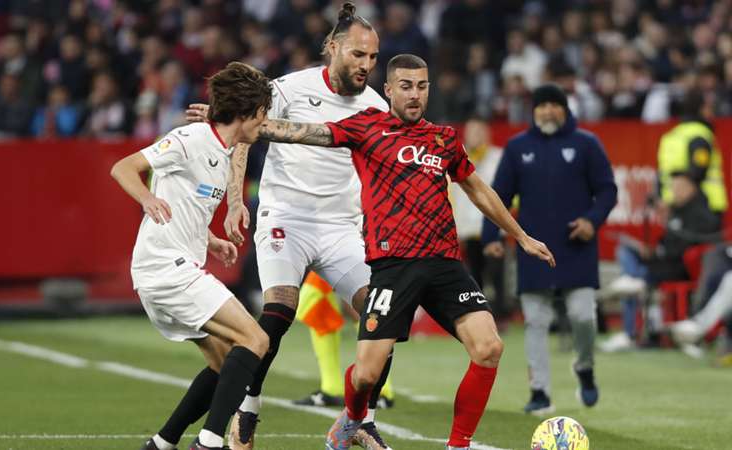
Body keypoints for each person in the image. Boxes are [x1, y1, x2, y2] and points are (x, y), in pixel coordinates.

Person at [250, 53, 556, 450]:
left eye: (422, 86)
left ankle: (458, 445)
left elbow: (478, 189)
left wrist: (522, 236)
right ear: (389, 90)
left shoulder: (444, 138)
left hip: (445, 264)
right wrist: (247, 125)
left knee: (489, 347)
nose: (415, 95)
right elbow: (309, 132)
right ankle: (353, 419)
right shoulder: (366, 127)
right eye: (407, 87)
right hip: (393, 267)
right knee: (366, 375)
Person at [188, 4, 395, 449]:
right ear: (334, 48)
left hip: (342, 226)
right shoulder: (288, 88)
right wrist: (235, 200)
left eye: (373, 58)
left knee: (382, 314)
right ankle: (249, 406)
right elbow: (246, 133)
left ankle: (361, 420)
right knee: (279, 313)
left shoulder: (377, 106)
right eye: (358, 55)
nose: (366, 65)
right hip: (287, 216)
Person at [110, 62, 272, 450]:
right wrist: (147, 198)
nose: (264, 124)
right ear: (247, 112)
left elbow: (189, 205)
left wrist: (212, 240)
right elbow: (123, 168)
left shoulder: (220, 152)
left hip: (170, 269)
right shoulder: (193, 138)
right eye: (263, 115)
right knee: (255, 338)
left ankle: (162, 443)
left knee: (222, 363)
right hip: (165, 268)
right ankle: (210, 442)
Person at [482, 83, 617, 415]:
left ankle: (584, 366)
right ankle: (539, 391)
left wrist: (592, 221)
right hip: (534, 250)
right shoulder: (517, 147)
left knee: (584, 317)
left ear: (565, 109)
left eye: (553, 105)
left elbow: (608, 190)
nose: (546, 111)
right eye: (540, 106)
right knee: (535, 323)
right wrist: (491, 236)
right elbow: (497, 196)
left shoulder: (586, 144)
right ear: (533, 111)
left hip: (577, 249)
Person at [603, 171, 721, 351]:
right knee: (625, 250)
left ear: (692, 187)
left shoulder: (701, 213)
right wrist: (654, 249)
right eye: (673, 187)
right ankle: (633, 281)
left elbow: (690, 246)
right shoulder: (675, 210)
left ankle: (635, 289)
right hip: (661, 260)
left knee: (639, 276)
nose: (675, 191)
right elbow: (667, 241)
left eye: (679, 187)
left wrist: (662, 250)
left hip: (681, 267)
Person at [293, 272, 395, 409]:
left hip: (350, 252)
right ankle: (333, 388)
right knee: (319, 305)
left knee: (356, 301)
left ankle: (380, 389)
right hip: (333, 253)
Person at [451, 117, 507, 319]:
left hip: (493, 228)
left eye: (477, 131)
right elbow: (454, 194)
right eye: (469, 131)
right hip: (468, 231)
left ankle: (501, 318)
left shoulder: (499, 157)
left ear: (486, 133)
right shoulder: (458, 158)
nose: (473, 136)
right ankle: (480, 317)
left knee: (497, 276)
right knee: (473, 278)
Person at [657, 91, 727, 215]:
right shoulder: (700, 135)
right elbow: (698, 171)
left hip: (673, 206)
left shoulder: (671, 136)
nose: (712, 112)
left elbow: (662, 174)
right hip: (702, 207)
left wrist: (664, 201)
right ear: (700, 109)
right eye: (708, 107)